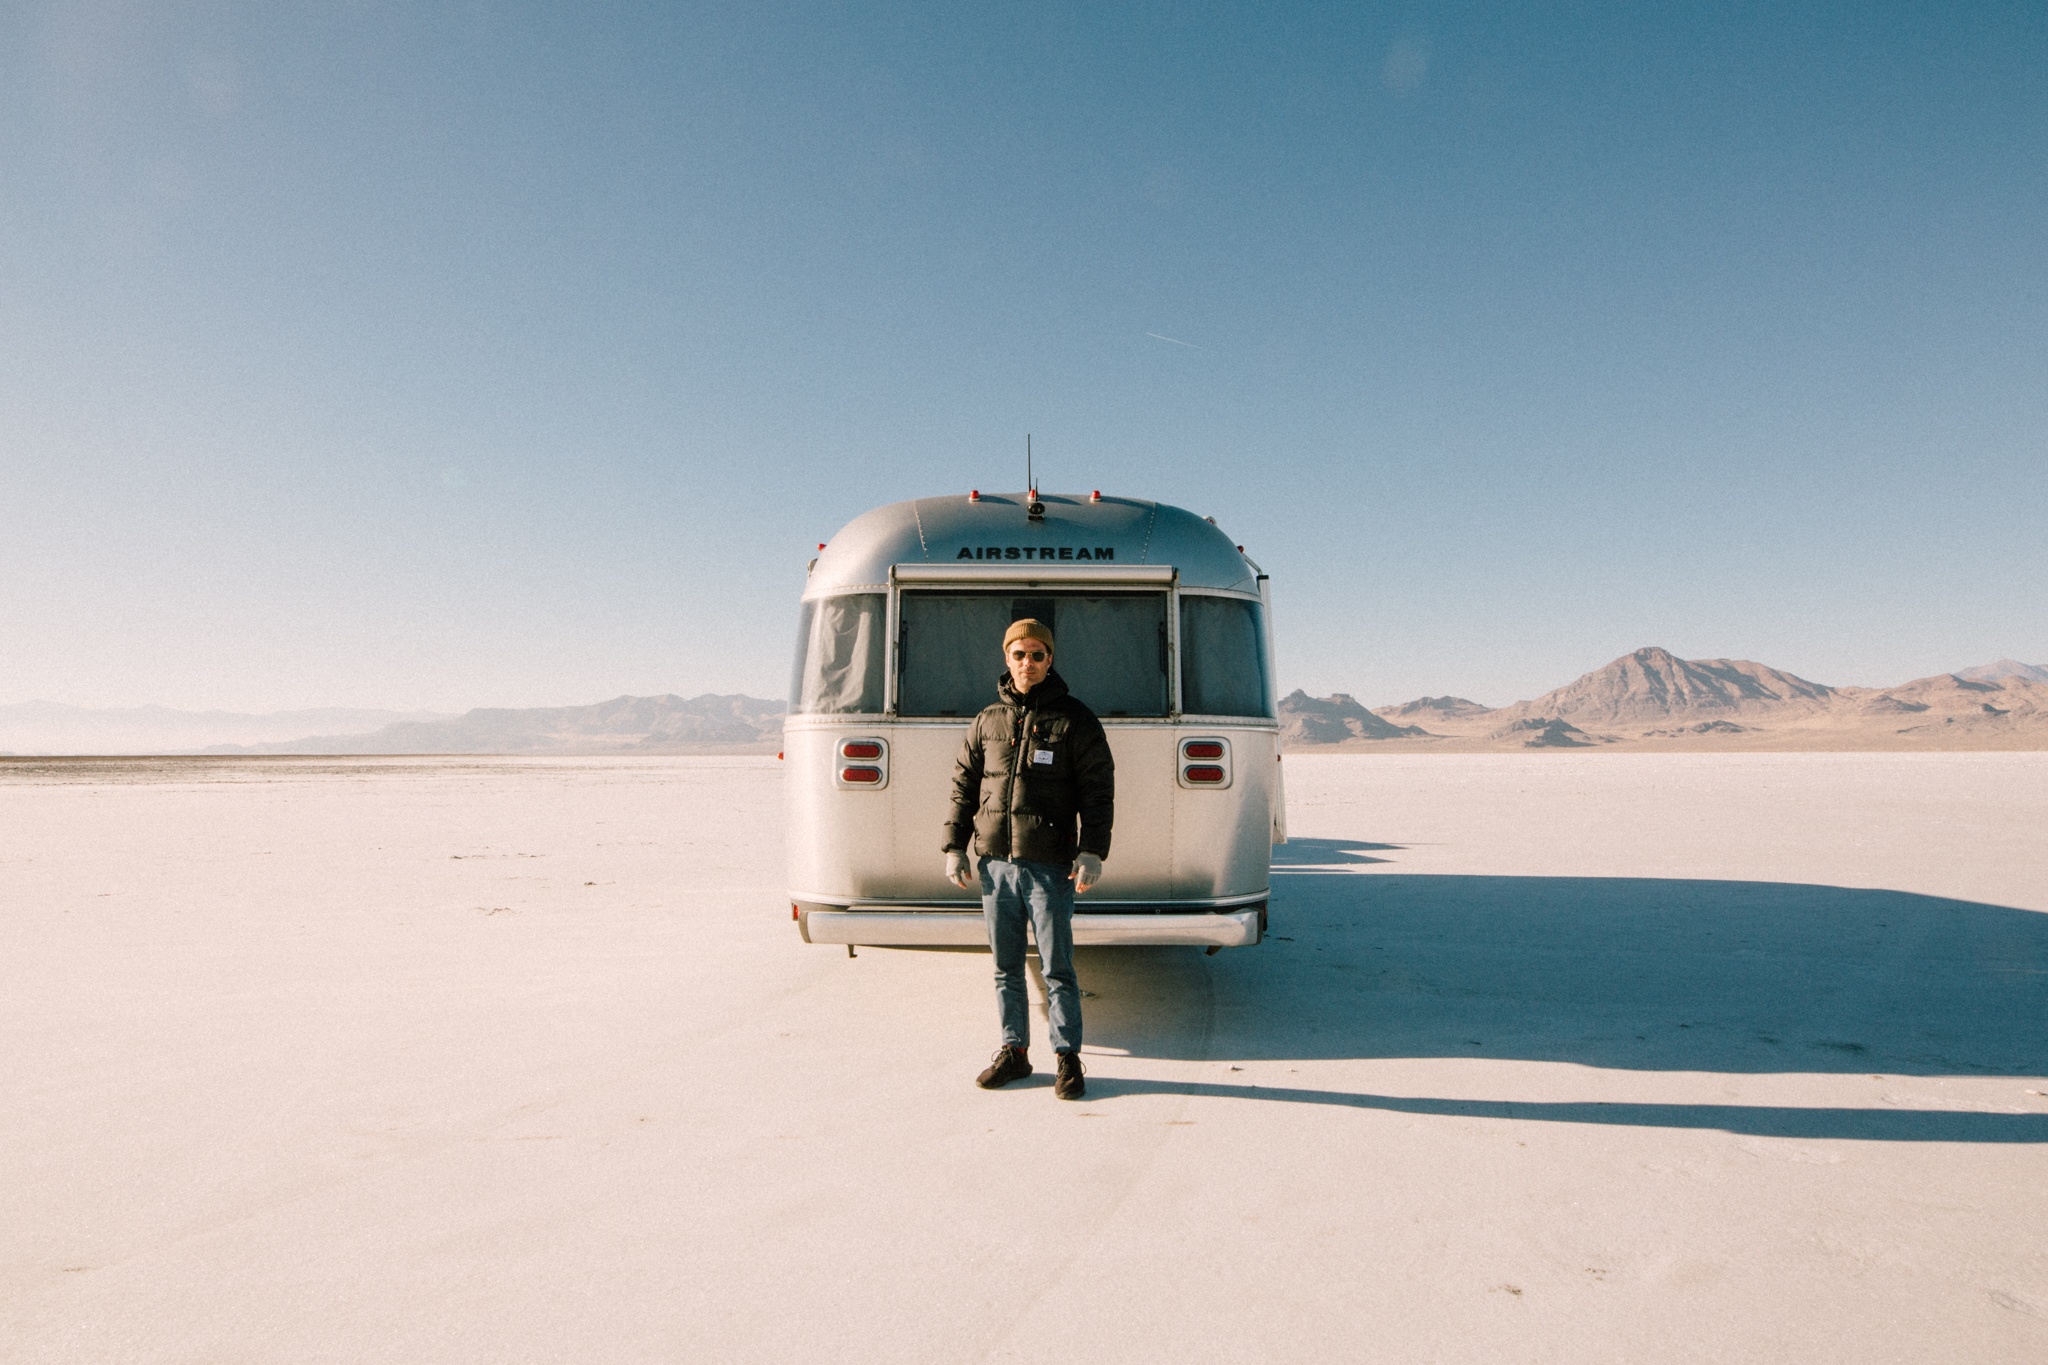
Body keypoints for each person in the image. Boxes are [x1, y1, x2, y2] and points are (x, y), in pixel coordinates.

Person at [943, 617, 1115, 1100]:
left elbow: (1098, 791)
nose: (1028, 663)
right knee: (1006, 967)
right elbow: (963, 786)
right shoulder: (987, 720)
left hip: (1049, 866)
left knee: (1057, 968)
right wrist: (954, 846)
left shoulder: (1075, 719)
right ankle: (1014, 1051)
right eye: (1019, 654)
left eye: (1037, 655)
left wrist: (1092, 850)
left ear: (1049, 660)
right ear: (1007, 658)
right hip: (995, 864)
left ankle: (1067, 1057)